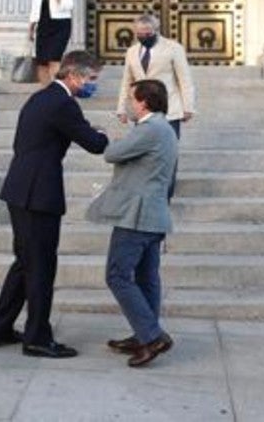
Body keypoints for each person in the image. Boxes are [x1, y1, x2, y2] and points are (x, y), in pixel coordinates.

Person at [0, 51, 109, 358]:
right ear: (74, 75)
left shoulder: (41, 98)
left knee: (25, 263)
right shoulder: (63, 103)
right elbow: (94, 145)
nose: (93, 85)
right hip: (38, 194)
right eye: (91, 78)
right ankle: (38, 337)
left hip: (21, 188)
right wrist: (102, 135)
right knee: (41, 266)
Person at [88, 79, 178, 368]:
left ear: (144, 102)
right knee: (147, 277)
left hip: (137, 216)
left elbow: (111, 154)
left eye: (132, 98)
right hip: (154, 215)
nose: (129, 103)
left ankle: (152, 337)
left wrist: (105, 136)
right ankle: (144, 334)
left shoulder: (151, 129)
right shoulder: (164, 128)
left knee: (117, 275)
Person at [115, 14, 195, 198]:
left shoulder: (173, 48)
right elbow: (127, 80)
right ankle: (146, 195)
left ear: (155, 31)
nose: (143, 36)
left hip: (169, 111)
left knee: (168, 156)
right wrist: (121, 108)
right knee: (144, 156)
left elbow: (184, 78)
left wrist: (188, 106)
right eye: (139, 34)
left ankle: (164, 198)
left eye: (147, 33)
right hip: (142, 111)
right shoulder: (132, 52)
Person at [28, 0, 75, 84]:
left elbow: (69, 6)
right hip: (43, 25)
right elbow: (34, 8)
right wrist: (31, 29)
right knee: (41, 61)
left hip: (60, 25)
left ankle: (56, 88)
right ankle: (46, 90)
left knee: (54, 58)